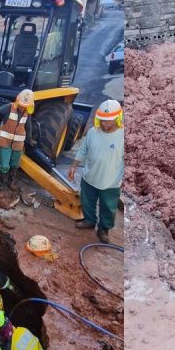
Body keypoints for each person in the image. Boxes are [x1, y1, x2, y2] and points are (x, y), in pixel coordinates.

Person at [68, 99, 124, 244]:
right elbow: (83, 150)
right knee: (87, 202)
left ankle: (104, 229)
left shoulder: (123, 136)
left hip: (110, 183)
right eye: (102, 120)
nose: (104, 124)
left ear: (118, 118)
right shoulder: (93, 132)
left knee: (108, 208)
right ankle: (89, 220)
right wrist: (74, 166)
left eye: (108, 121)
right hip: (89, 178)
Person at [0, 89, 35, 190]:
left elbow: (29, 127)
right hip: (6, 142)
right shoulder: (9, 108)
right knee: (5, 165)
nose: (22, 108)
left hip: (18, 144)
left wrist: (30, 140)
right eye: (21, 105)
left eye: (25, 106)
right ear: (17, 101)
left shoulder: (27, 114)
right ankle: (0, 182)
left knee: (15, 164)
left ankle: (10, 181)